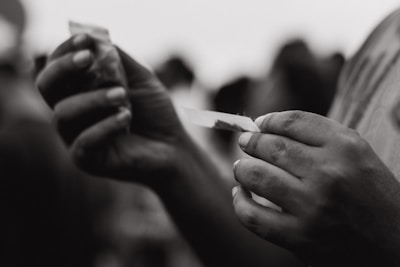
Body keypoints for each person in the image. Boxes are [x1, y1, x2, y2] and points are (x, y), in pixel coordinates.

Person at [36, 7, 400, 267]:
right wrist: (171, 155)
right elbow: (296, 258)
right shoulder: (383, 39)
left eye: (273, 79)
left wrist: (390, 237)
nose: (263, 87)